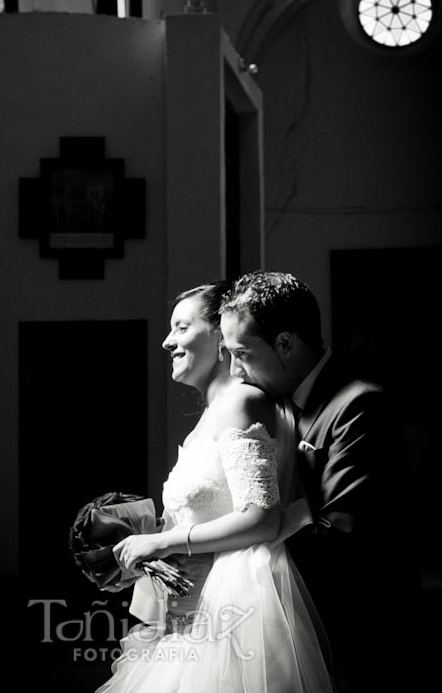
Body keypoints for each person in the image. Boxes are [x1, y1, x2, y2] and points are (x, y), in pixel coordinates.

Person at [95, 282, 336, 693]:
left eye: (181, 327)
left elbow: (262, 519)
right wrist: (139, 549)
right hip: (193, 617)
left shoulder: (240, 402)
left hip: (236, 620)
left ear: (219, 337)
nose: (168, 341)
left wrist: (165, 543)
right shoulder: (208, 419)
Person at [219, 270, 422, 693]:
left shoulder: (359, 405)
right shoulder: (278, 405)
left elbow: (343, 533)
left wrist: (233, 560)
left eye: (241, 354)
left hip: (360, 636)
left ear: (285, 345)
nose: (235, 372)